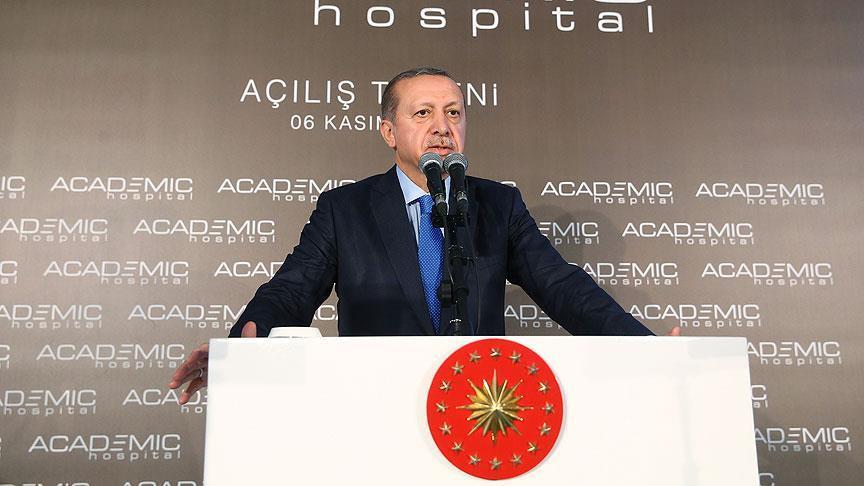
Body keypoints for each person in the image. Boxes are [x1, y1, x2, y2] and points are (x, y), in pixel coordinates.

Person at [168, 67, 680, 404]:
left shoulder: (497, 205)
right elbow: (292, 290)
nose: (442, 126)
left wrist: (644, 349)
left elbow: (562, 286)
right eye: (423, 113)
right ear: (390, 132)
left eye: (453, 112)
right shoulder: (346, 210)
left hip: (478, 408)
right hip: (376, 404)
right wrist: (239, 351)